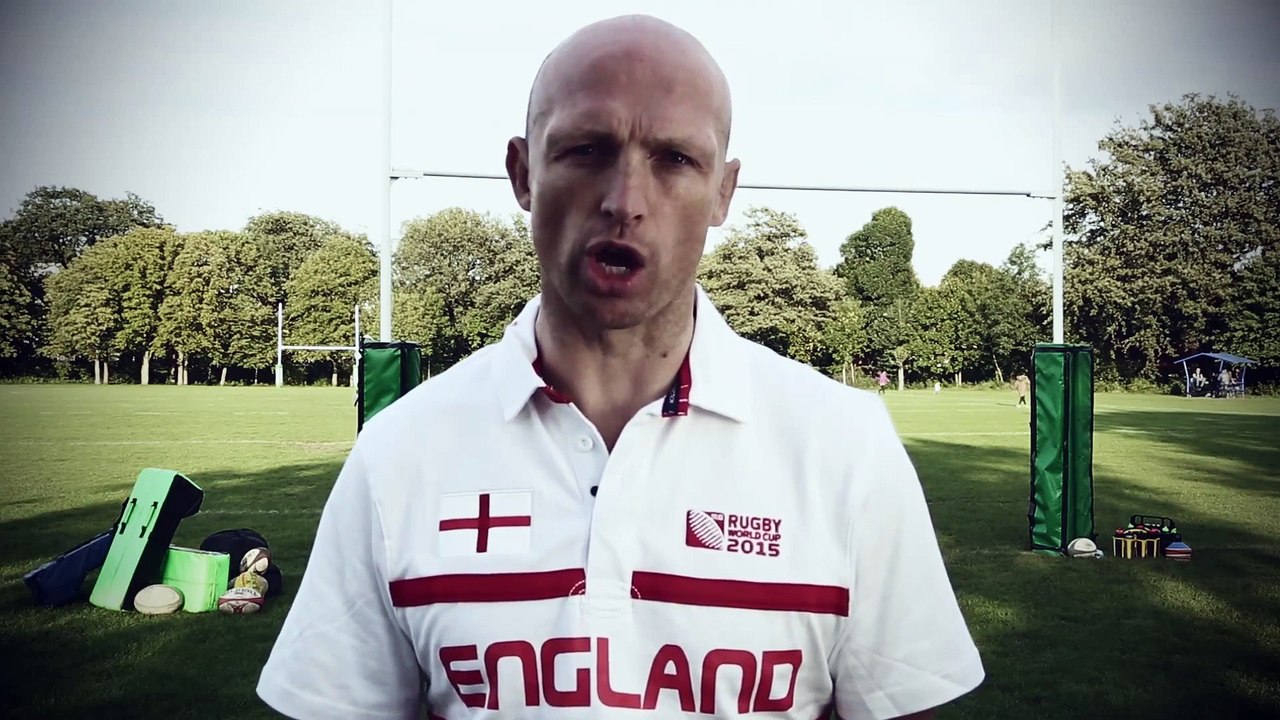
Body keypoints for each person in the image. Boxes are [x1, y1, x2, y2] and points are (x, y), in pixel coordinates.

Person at [256, 15, 983, 720]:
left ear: (723, 192)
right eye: (586, 149)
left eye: (674, 159)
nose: (625, 202)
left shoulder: (845, 447)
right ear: (522, 173)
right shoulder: (400, 453)